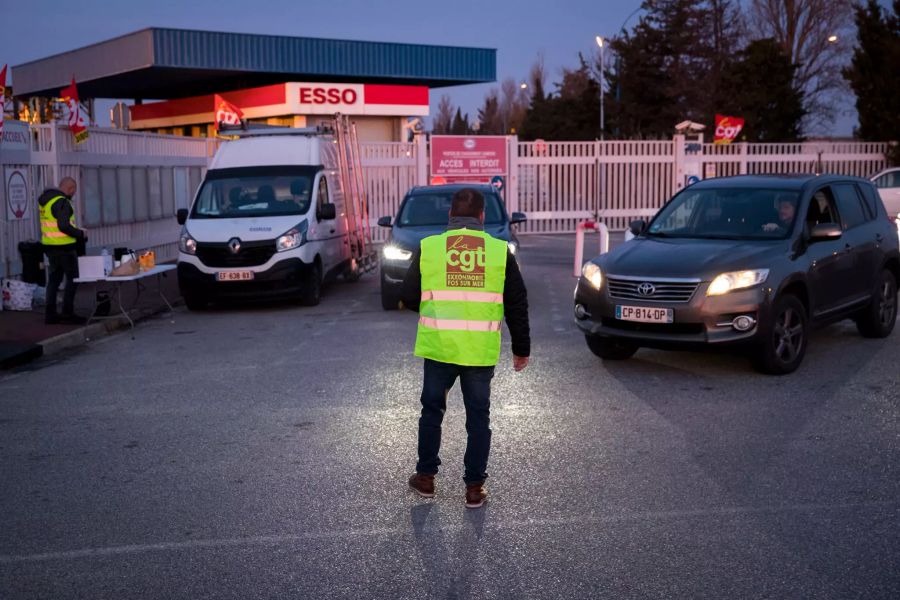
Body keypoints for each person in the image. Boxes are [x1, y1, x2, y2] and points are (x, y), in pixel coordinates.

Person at [402, 188, 530, 509]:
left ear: (450, 216)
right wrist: (521, 347)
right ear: (482, 217)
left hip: (440, 347)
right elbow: (516, 304)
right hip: (478, 352)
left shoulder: (430, 248)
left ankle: (426, 479)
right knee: (477, 418)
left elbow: (406, 294)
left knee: (432, 412)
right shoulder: (500, 252)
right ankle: (474, 488)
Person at [38, 177, 88, 324]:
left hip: (50, 246)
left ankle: (51, 314)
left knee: (54, 280)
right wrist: (80, 233)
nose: (73, 193)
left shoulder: (46, 202)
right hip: (65, 247)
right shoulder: (62, 202)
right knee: (73, 279)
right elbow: (64, 226)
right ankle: (67, 313)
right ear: (70, 188)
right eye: (74, 190)